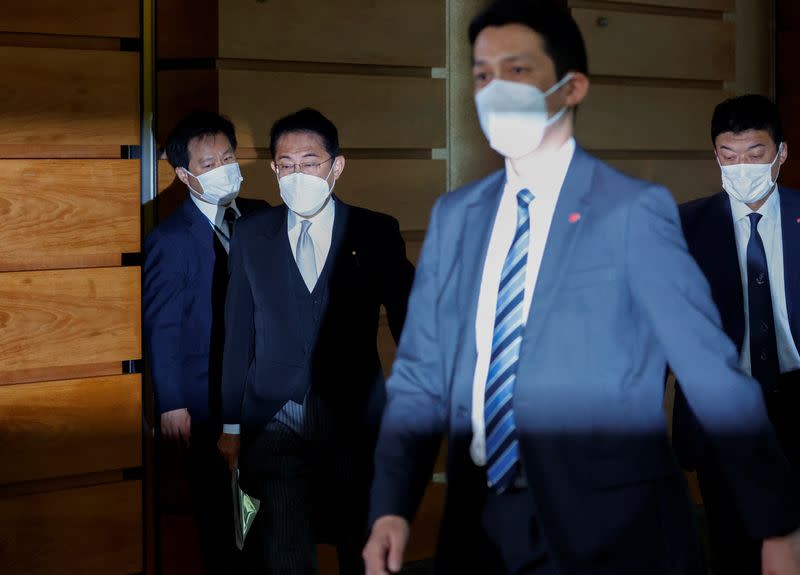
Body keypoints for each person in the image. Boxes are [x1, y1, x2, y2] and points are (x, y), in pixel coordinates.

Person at [362, 2, 800, 575]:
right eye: (484, 75)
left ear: (571, 88)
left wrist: (774, 521)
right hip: (483, 522)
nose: (497, 92)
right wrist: (391, 507)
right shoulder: (456, 216)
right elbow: (420, 375)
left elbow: (709, 369)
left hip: (611, 525)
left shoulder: (633, 211)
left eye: (518, 72)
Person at [217, 107, 415, 574]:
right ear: (273, 170)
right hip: (273, 416)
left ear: (336, 166)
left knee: (359, 539)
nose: (296, 173)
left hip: (351, 413)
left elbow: (412, 319)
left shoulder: (374, 231)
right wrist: (230, 424)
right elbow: (238, 329)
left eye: (309, 162)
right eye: (286, 164)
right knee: (284, 545)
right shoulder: (251, 234)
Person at [672, 94, 800, 574]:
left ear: (781, 153)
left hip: (794, 393)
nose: (741, 167)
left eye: (755, 154)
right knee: (733, 542)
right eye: (729, 156)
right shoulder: (684, 227)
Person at [143, 110, 267, 575]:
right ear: (185, 174)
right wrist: (171, 402)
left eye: (228, 157)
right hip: (204, 398)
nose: (222, 168)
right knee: (221, 517)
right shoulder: (171, 238)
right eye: (208, 162)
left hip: (261, 393)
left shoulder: (261, 217)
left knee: (265, 515)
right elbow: (163, 324)